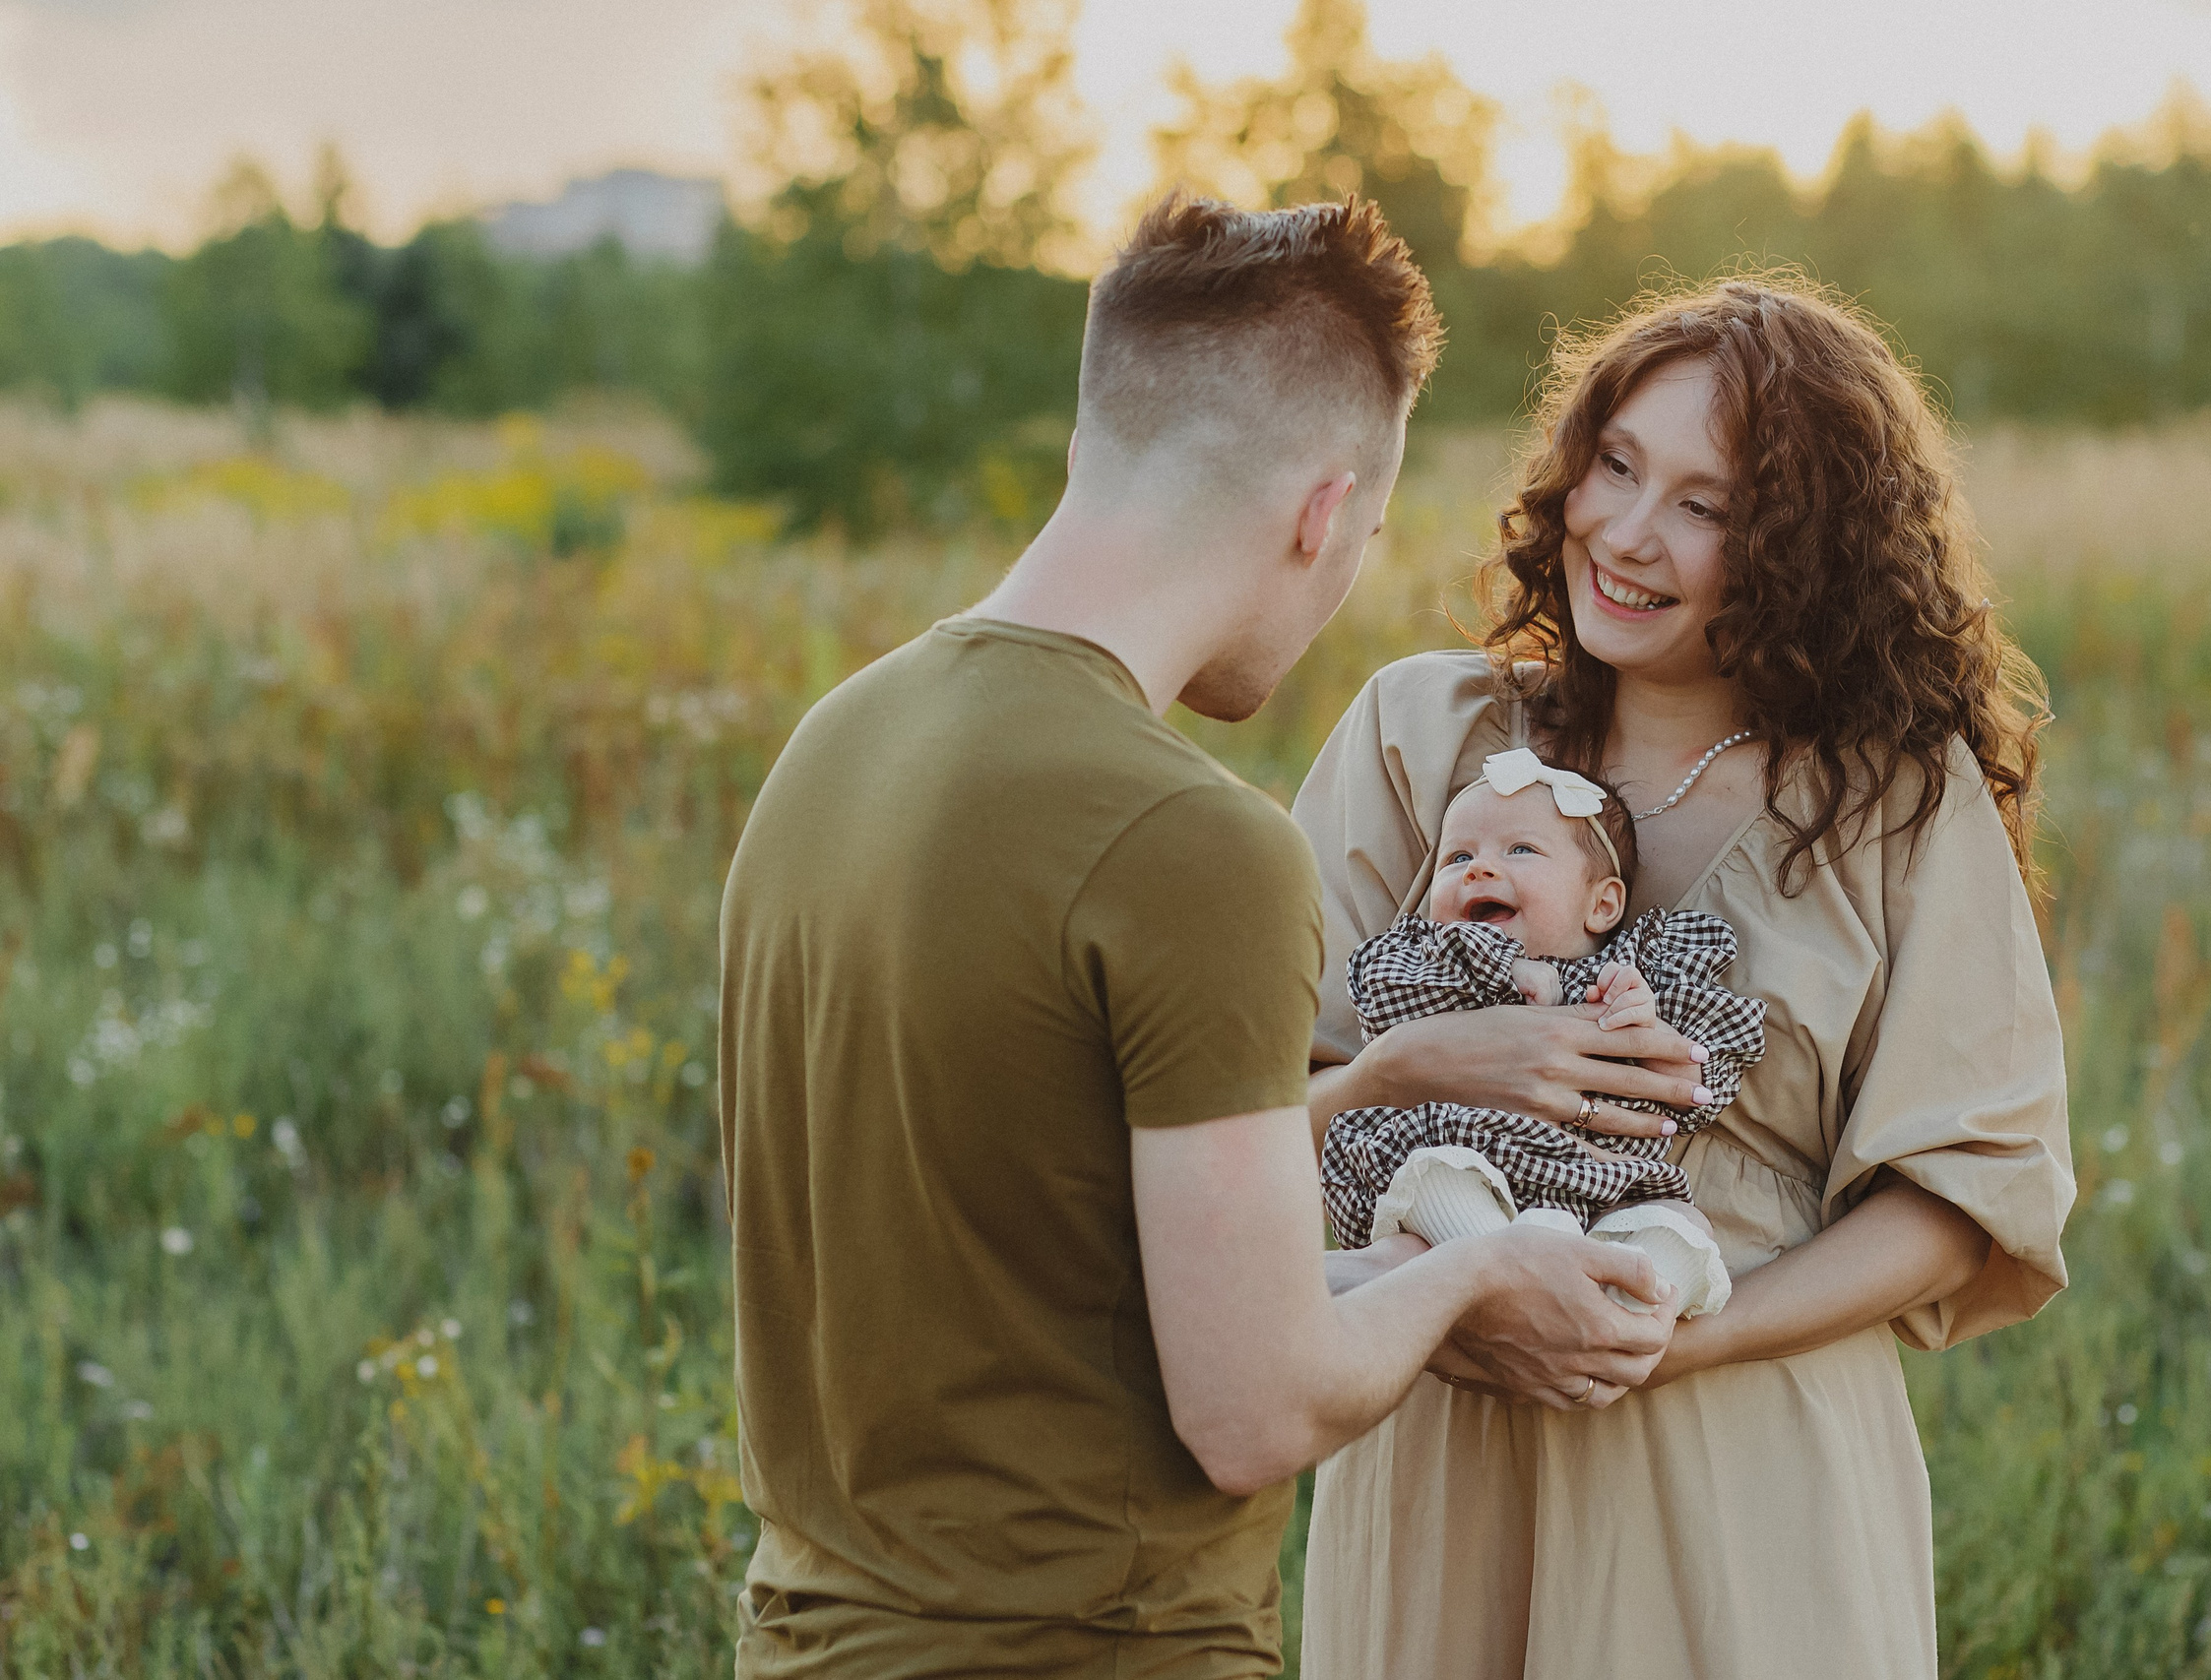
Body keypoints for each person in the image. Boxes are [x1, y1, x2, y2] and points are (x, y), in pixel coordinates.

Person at [716, 194, 1681, 1680]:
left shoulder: (835, 746)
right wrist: (1484, 1272)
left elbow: (1061, 1271)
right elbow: (1256, 1405)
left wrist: (1378, 1136)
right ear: (1319, 510)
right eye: (1363, 532)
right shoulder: (1197, 844)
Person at [1295, 276, 2076, 1678]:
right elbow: (1244, 1099)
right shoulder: (1422, 733)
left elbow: (1963, 1195)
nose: (1631, 535)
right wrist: (1455, 1283)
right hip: (1440, 1448)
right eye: (1618, 465)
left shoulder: (1896, 802)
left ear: (1803, 551)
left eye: (1707, 508)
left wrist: (1667, 1343)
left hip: (1745, 1465)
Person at [1319, 745, 1760, 1321]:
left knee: (1683, 1224)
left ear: (1602, 905)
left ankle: (1622, 1316)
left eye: (1520, 850)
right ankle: (1507, 1273)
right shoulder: (1425, 959)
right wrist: (1501, 967)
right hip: (1460, 1157)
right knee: (1431, 1181)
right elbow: (1383, 996)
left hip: (1600, 1190)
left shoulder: (1637, 975)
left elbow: (1691, 1090)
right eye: (1456, 858)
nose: (1478, 868)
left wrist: (1651, 1036)